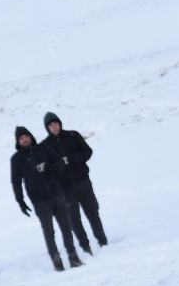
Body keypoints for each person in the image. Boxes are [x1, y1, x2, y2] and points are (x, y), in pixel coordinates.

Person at [11, 126, 82, 271]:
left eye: (26, 136)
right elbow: (16, 182)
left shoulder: (43, 149)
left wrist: (48, 168)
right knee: (49, 231)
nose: (24, 139)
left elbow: (60, 164)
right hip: (39, 201)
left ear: (30, 136)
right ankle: (57, 261)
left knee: (66, 227)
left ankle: (73, 256)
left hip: (57, 194)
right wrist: (21, 201)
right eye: (21, 138)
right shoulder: (17, 159)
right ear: (18, 141)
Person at [41, 112, 107, 252]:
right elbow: (47, 170)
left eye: (56, 123)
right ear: (47, 128)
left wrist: (72, 159)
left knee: (93, 213)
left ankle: (103, 241)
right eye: (51, 125)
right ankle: (85, 246)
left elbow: (87, 152)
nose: (54, 126)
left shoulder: (72, 135)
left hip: (83, 182)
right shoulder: (45, 145)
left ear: (60, 123)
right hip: (65, 189)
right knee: (74, 220)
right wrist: (58, 166)